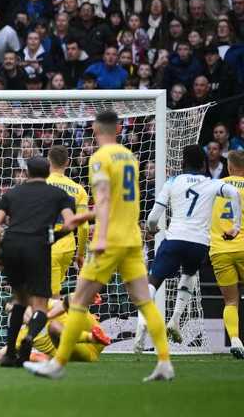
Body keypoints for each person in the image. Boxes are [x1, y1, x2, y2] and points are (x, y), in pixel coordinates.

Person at [24, 111, 174, 381]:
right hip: (131, 237)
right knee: (144, 300)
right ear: (118, 129)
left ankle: (57, 364)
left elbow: (103, 200)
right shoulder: (130, 157)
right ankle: (164, 361)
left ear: (95, 128)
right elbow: (118, 202)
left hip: (110, 239)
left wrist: (101, 236)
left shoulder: (99, 158)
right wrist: (83, 217)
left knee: (78, 300)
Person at [136, 145, 241, 351]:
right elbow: (234, 193)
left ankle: (142, 322)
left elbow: (153, 217)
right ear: (203, 165)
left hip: (175, 239)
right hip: (199, 244)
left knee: (154, 280)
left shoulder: (173, 181)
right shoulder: (211, 183)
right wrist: (235, 226)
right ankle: (175, 319)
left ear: (183, 164)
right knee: (190, 273)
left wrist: (152, 229)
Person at [0, 156, 86, 366]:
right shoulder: (60, 194)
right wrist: (54, 237)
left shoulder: (12, 193)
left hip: (12, 246)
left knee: (19, 300)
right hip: (38, 246)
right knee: (40, 305)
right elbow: (71, 223)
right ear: (48, 171)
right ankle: (29, 337)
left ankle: (9, 355)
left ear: (26, 172)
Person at [208, 150, 244, 359]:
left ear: (229, 167)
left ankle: (236, 340)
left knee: (230, 301)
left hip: (220, 250)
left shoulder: (215, 187)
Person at [46, 145, 89, 299]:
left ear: (48, 161)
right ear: (68, 163)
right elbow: (84, 227)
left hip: (47, 245)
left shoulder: (40, 184)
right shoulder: (79, 190)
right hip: (68, 247)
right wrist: (81, 253)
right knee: (53, 292)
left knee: (50, 297)